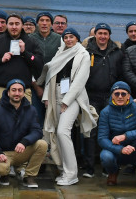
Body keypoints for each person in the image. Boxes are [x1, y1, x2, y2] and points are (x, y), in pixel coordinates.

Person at [40, 27, 95, 186]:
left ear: (77, 38)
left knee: (63, 132)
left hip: (73, 97)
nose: (68, 39)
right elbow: (51, 75)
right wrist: (46, 97)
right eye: (66, 37)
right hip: (55, 93)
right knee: (56, 133)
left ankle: (72, 174)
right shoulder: (60, 52)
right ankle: (64, 170)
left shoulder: (83, 54)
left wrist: (66, 102)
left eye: (72, 37)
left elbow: (80, 81)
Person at [0, 79, 46, 188]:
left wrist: (24, 142)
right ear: (8, 92)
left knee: (42, 144)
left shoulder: (31, 110)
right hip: (3, 154)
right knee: (2, 169)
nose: (17, 93)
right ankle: (4, 175)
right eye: (14, 90)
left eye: (20, 90)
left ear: (24, 93)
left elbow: (37, 131)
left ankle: (29, 177)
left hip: (21, 151)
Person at [81, 22, 122, 178]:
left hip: (110, 97)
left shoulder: (117, 52)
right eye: (100, 33)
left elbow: (122, 74)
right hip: (90, 96)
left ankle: (107, 166)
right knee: (90, 131)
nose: (103, 36)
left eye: (106, 33)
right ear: (95, 35)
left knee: (109, 131)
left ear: (109, 35)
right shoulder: (86, 51)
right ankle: (90, 167)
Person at [98, 81, 136, 190]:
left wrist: (125, 136)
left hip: (135, 147)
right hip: (116, 149)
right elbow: (102, 139)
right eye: (116, 93)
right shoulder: (105, 112)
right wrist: (120, 149)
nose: (120, 96)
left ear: (128, 95)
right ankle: (112, 173)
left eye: (123, 94)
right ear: (112, 95)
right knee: (105, 156)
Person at [0, 14, 44, 105]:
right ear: (7, 25)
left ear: (22, 25)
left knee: (24, 119)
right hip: (1, 89)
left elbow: (39, 63)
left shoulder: (31, 41)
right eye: (11, 24)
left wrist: (25, 53)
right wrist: (1, 60)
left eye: (17, 24)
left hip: (23, 90)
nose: (14, 27)